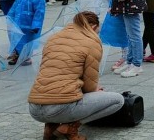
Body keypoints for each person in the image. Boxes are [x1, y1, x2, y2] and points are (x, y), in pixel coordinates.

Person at [28, 11, 125, 140]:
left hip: (34, 108)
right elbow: (90, 87)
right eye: (97, 31)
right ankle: (69, 127)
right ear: (93, 27)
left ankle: (51, 126)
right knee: (118, 100)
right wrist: (95, 90)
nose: (97, 34)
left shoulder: (54, 38)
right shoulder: (91, 42)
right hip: (60, 107)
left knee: (64, 91)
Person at [5, 0, 46, 66]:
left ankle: (26, 57)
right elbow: (14, 7)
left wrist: (36, 26)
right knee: (16, 40)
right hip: (17, 23)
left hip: (29, 26)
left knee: (26, 42)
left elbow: (39, 14)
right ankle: (17, 55)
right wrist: (9, 17)